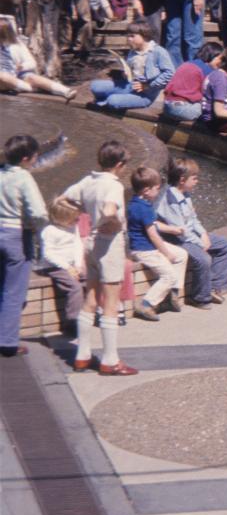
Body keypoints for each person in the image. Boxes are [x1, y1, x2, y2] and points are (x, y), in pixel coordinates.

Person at [60, 140, 136, 374]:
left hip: (90, 243)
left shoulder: (88, 180)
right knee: (111, 303)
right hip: (109, 244)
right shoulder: (113, 185)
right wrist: (111, 222)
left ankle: (82, 355)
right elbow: (109, 210)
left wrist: (85, 211)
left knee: (90, 298)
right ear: (119, 164)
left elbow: (63, 199)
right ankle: (110, 360)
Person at [156, 157, 227, 308]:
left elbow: (193, 219)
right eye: (194, 178)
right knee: (203, 259)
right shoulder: (170, 199)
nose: (197, 181)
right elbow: (180, 230)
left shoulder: (185, 194)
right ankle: (199, 297)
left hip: (190, 235)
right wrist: (199, 243)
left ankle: (214, 287)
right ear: (182, 180)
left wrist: (203, 234)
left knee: (225, 245)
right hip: (176, 238)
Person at [0, 135, 47, 356]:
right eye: (36, 156)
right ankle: (7, 342)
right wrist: (37, 228)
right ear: (26, 158)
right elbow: (38, 212)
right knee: (13, 291)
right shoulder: (24, 178)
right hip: (17, 235)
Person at [125, 166, 189, 321]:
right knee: (169, 275)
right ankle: (146, 305)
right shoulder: (144, 208)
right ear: (147, 190)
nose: (159, 191)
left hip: (147, 245)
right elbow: (153, 235)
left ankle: (172, 295)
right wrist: (166, 254)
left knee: (182, 254)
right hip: (144, 250)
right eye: (157, 188)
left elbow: (153, 224)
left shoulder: (136, 203)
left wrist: (173, 229)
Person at [89, 22, 175, 110]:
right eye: (128, 36)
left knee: (113, 100)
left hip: (145, 95)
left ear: (144, 36)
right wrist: (125, 74)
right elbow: (130, 72)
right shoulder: (133, 51)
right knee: (95, 86)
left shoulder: (158, 51)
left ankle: (108, 100)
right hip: (130, 86)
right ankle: (115, 98)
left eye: (132, 36)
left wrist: (148, 86)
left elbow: (170, 73)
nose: (129, 39)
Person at [38, 197, 86, 347]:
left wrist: (78, 264)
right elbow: (48, 254)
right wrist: (67, 267)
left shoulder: (73, 227)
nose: (76, 222)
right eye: (73, 219)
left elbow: (77, 245)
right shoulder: (50, 231)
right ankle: (72, 321)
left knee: (90, 280)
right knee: (75, 288)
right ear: (61, 219)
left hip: (71, 265)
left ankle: (89, 313)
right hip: (54, 266)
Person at [0, 22, 74, 98]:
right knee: (2, 76)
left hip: (18, 75)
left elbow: (32, 63)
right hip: (3, 78)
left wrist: (22, 66)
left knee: (33, 78)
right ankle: (30, 88)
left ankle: (66, 91)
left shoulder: (18, 45)